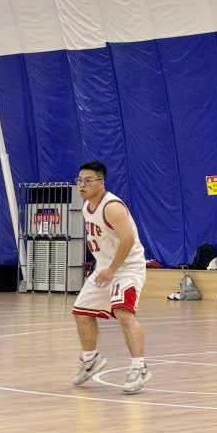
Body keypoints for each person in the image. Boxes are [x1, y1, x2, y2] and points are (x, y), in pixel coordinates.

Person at [70, 161, 151, 393]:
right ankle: (91, 359)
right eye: (79, 181)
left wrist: (112, 269)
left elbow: (128, 240)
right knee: (81, 312)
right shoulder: (87, 207)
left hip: (127, 268)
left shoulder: (112, 206)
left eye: (87, 181)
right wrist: (104, 267)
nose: (82, 185)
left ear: (101, 182)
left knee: (124, 313)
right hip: (105, 268)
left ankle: (139, 367)